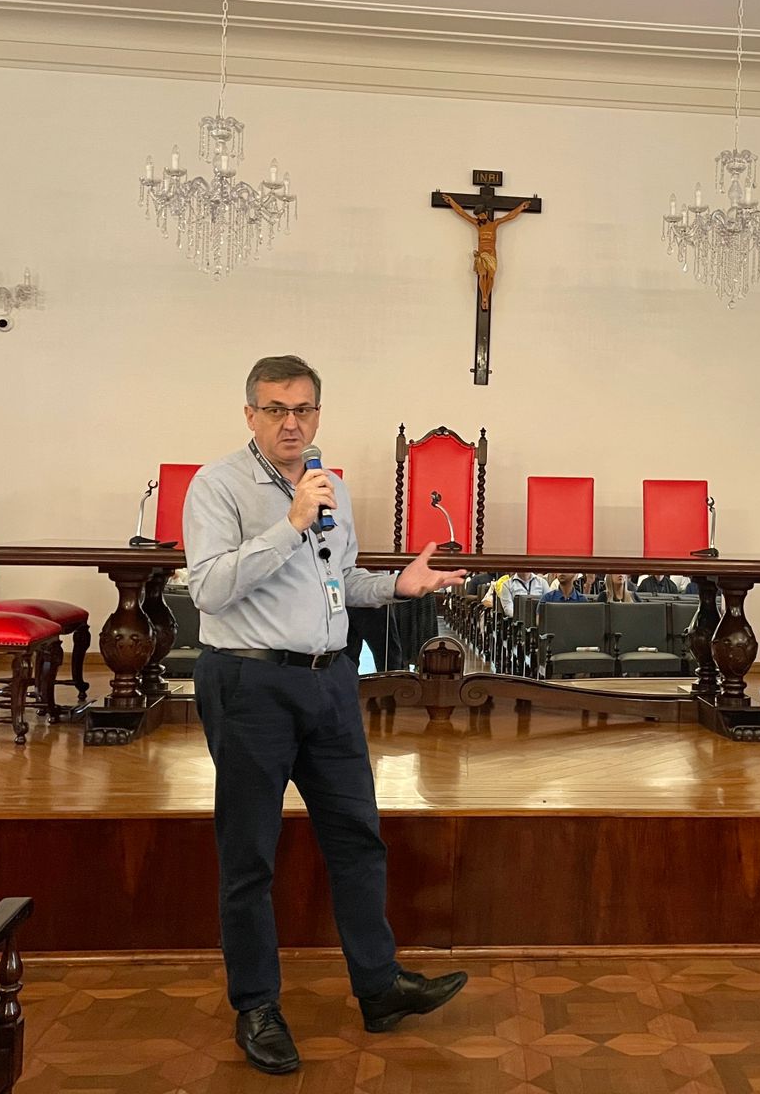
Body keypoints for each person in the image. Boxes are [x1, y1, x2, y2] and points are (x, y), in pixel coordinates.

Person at [184, 355, 469, 1076]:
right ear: (250, 414)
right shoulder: (217, 486)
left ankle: (379, 986)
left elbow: (338, 580)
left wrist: (398, 585)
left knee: (357, 839)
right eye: (277, 409)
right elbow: (209, 590)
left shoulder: (330, 485)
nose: (292, 423)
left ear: (318, 413)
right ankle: (256, 1006)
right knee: (249, 855)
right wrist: (289, 523)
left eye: (304, 409)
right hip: (250, 683)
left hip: (330, 681)